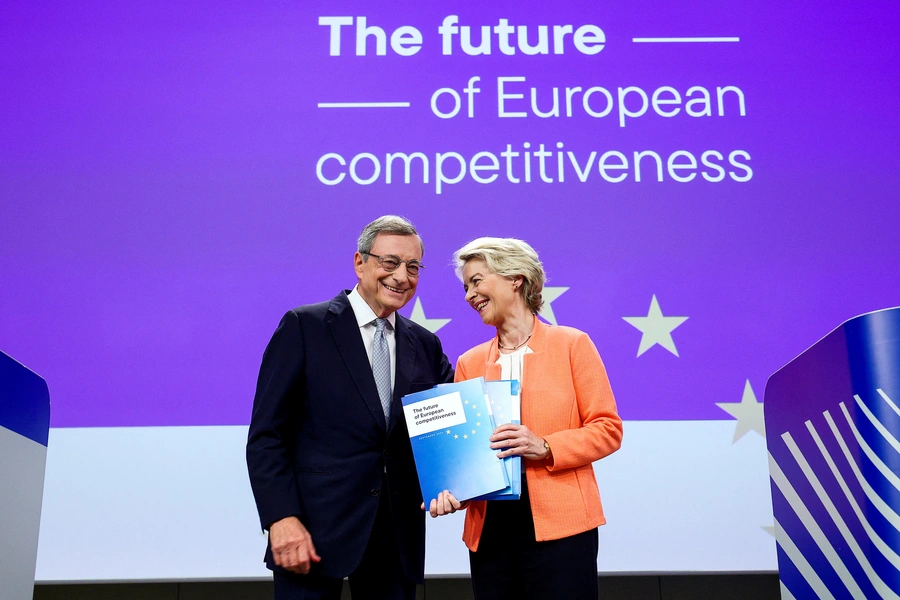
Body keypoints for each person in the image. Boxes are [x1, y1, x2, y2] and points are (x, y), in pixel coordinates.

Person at [247, 215, 454, 600]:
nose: (401, 276)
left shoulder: (425, 344)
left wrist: (460, 478)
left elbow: (453, 426)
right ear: (360, 263)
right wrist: (280, 517)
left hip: (395, 541)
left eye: (413, 267)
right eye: (389, 262)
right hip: (310, 532)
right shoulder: (304, 327)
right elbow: (266, 437)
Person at [429, 237, 623, 600]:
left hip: (563, 528)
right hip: (490, 533)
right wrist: (450, 490)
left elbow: (608, 429)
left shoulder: (572, 344)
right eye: (465, 286)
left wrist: (546, 446)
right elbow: (464, 455)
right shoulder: (469, 362)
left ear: (515, 278)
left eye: (477, 281)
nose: (469, 295)